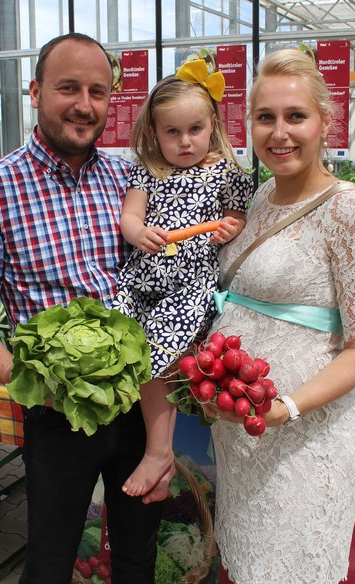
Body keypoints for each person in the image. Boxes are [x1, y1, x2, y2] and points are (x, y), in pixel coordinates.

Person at [0, 32, 163, 584]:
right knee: (50, 559)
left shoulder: (127, 180)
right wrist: (29, 382)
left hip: (139, 401)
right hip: (57, 414)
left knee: (139, 553)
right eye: (68, 88)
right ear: (36, 90)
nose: (85, 105)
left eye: (98, 92)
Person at [202, 48, 355, 583]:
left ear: (326, 123)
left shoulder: (350, 212)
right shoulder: (261, 197)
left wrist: (286, 407)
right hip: (244, 436)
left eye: (295, 116)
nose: (279, 133)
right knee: (244, 565)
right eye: (266, 118)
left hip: (305, 443)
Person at [113, 59, 253, 502]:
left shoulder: (225, 172)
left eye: (194, 129)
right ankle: (145, 445)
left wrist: (230, 226)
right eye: (172, 132)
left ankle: (158, 451)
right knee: (122, 345)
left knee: (155, 355)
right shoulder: (146, 170)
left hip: (190, 283)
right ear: (155, 132)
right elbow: (130, 217)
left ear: (212, 125)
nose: (185, 141)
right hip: (141, 278)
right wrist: (138, 233)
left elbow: (238, 216)